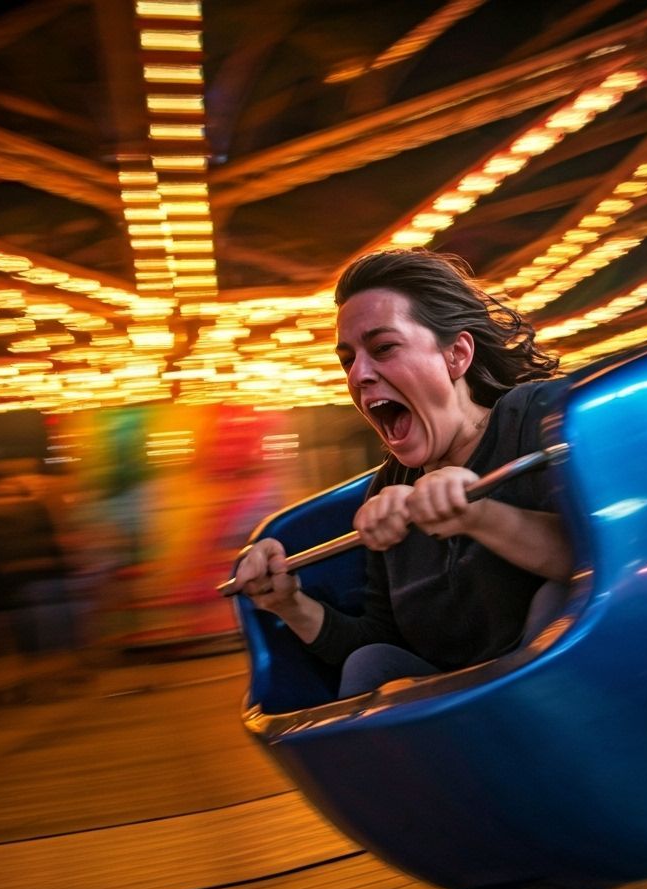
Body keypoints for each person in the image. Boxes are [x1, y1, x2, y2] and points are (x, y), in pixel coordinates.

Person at [229, 248, 573, 698]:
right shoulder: (389, 488)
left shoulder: (532, 419)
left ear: (456, 355)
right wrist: (287, 602)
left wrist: (477, 514)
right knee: (370, 662)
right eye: (348, 359)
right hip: (455, 719)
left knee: (554, 598)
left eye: (384, 348)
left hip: (565, 693)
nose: (359, 375)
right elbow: (381, 643)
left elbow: (597, 559)